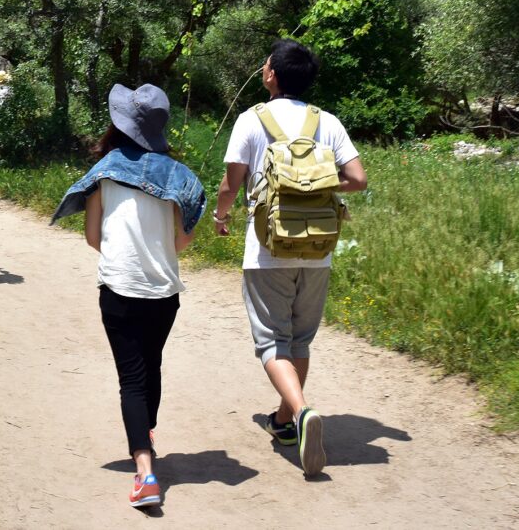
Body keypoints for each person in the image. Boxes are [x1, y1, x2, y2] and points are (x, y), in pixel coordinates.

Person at [211, 40, 367, 479]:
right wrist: (316, 182)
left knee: (271, 341)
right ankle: (282, 422)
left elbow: (230, 182)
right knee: (299, 340)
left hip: (267, 250)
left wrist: (221, 216)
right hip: (318, 251)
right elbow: (357, 178)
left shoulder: (252, 119)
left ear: (271, 75)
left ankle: (298, 413)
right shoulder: (327, 122)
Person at [51, 84, 205, 511]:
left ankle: (145, 473)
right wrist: (156, 253)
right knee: (150, 366)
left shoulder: (106, 170)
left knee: (131, 379)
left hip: (118, 288)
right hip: (165, 292)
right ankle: (146, 431)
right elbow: (183, 240)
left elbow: (91, 235)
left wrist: (124, 254)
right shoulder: (179, 176)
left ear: (119, 125)